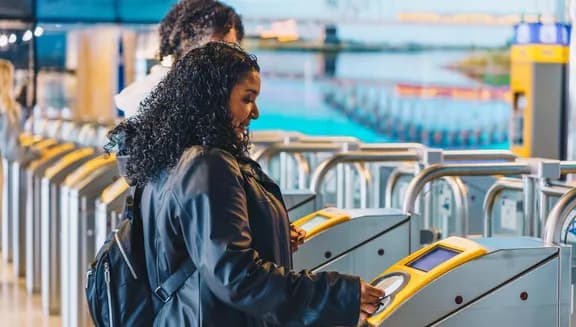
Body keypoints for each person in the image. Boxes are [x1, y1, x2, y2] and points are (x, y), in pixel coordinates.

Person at [105, 42, 384, 326]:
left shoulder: (166, 160)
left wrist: (268, 233)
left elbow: (191, 246)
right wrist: (338, 294)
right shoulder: (207, 164)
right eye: (247, 98)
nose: (255, 112)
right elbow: (235, 276)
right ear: (212, 98)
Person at [114, 0, 244, 117]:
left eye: (231, 51)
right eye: (215, 49)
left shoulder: (217, 93)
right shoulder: (149, 96)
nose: (225, 59)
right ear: (185, 39)